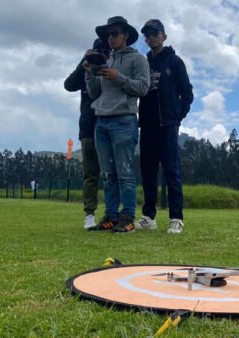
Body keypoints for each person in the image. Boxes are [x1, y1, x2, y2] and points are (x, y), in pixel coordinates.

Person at [83, 16, 150, 233]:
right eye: (108, 35)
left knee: (125, 172)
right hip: (101, 121)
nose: (110, 38)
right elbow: (95, 94)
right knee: (107, 174)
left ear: (126, 36)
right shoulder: (108, 61)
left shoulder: (138, 59)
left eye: (115, 34)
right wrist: (89, 75)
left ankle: (127, 217)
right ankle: (111, 217)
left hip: (124, 121)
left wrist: (118, 77)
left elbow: (142, 88)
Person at [135, 19, 193, 234]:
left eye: (154, 33)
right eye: (147, 35)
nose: (150, 38)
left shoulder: (174, 61)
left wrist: (177, 117)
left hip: (167, 125)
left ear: (164, 36)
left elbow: (187, 93)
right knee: (148, 173)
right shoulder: (143, 62)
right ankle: (148, 217)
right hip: (147, 126)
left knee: (171, 172)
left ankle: (176, 218)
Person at [64, 38, 110, 230]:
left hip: (109, 124)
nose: (101, 54)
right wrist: (84, 62)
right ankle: (89, 214)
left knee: (110, 174)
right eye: (98, 50)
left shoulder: (112, 68)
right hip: (89, 127)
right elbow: (68, 85)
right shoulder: (85, 68)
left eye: (105, 51)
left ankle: (112, 213)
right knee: (90, 174)